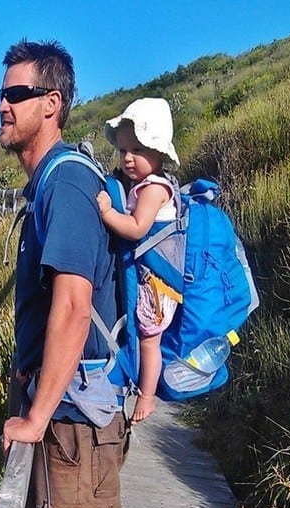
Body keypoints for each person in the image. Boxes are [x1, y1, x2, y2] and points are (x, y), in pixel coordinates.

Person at [0, 39, 129, 508]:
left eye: (15, 95)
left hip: (77, 429)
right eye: (2, 93)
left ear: (52, 103)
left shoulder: (67, 185)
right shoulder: (50, 183)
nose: (1, 105)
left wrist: (34, 420)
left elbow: (75, 307)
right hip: (68, 421)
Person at [96, 98, 182, 424]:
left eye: (137, 150)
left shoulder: (154, 189)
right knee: (146, 337)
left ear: (159, 152)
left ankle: (147, 397)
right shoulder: (145, 184)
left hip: (158, 287)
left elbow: (136, 229)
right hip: (152, 280)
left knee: (150, 340)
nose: (128, 159)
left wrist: (107, 212)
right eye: (122, 151)